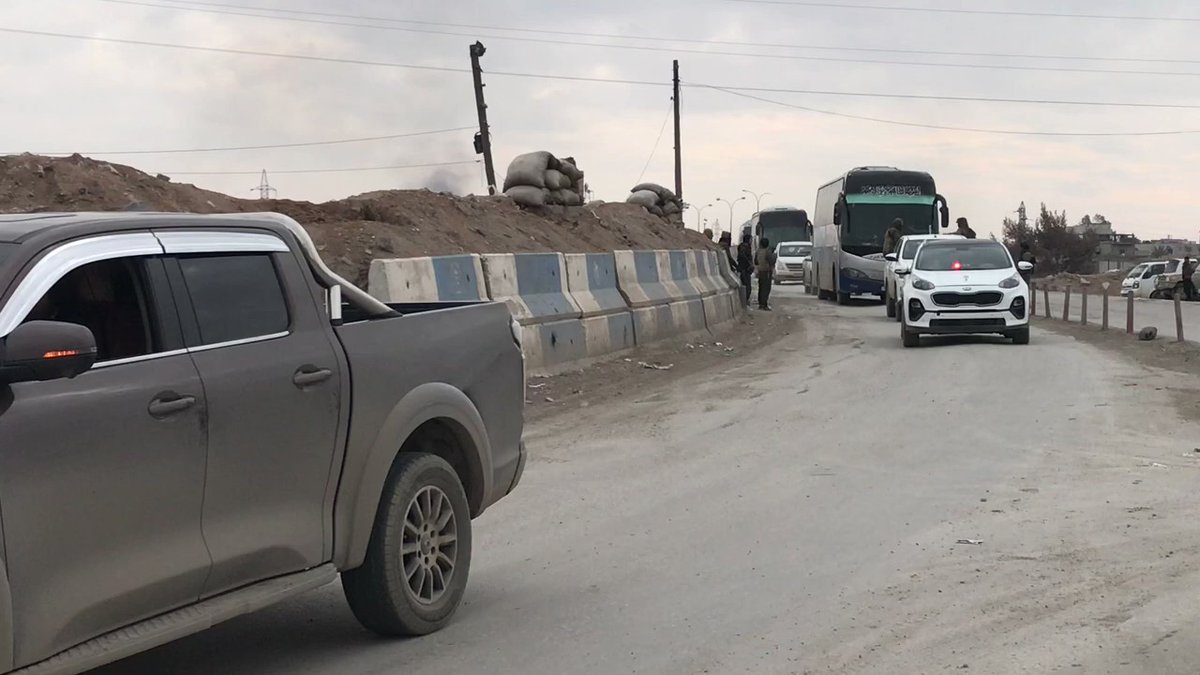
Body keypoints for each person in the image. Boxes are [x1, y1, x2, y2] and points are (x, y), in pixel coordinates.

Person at [755, 238, 777, 310]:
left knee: (761, 287)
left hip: (760, 271)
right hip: (767, 271)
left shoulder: (758, 251)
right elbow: (771, 261)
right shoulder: (768, 252)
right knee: (766, 288)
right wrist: (774, 255)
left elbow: (756, 262)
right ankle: (764, 304)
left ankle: (761, 303)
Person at [736, 234, 754, 305]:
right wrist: (749, 264)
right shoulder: (745, 246)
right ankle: (745, 301)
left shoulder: (743, 246)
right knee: (747, 286)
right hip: (744, 269)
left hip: (744, 268)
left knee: (745, 285)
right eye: (750, 239)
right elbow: (742, 255)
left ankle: (745, 300)